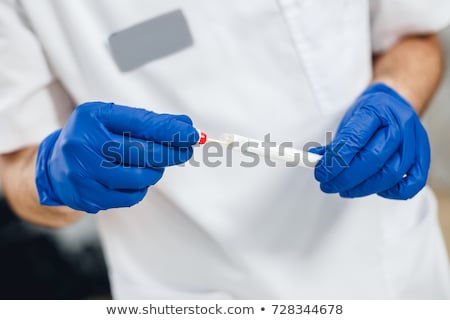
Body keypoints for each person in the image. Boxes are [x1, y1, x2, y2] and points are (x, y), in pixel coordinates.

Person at [0, 0, 449, 299]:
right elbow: (15, 166)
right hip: (185, 292)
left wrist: (396, 95)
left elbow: (415, 40)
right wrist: (48, 175)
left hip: (388, 271)